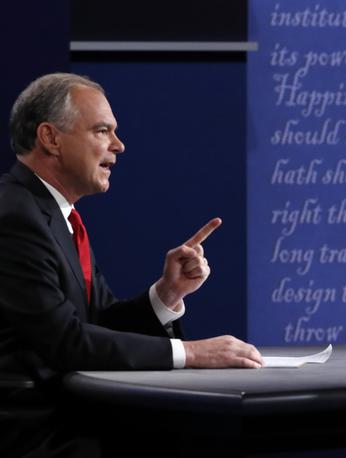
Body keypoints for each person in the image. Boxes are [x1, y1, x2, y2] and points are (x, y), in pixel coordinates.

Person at [0, 73, 262, 456]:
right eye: (102, 130)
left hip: (71, 417)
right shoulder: (15, 216)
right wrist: (193, 354)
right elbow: (65, 342)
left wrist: (166, 295)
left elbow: (97, 323)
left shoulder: (56, 215)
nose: (119, 146)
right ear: (50, 138)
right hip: (35, 433)